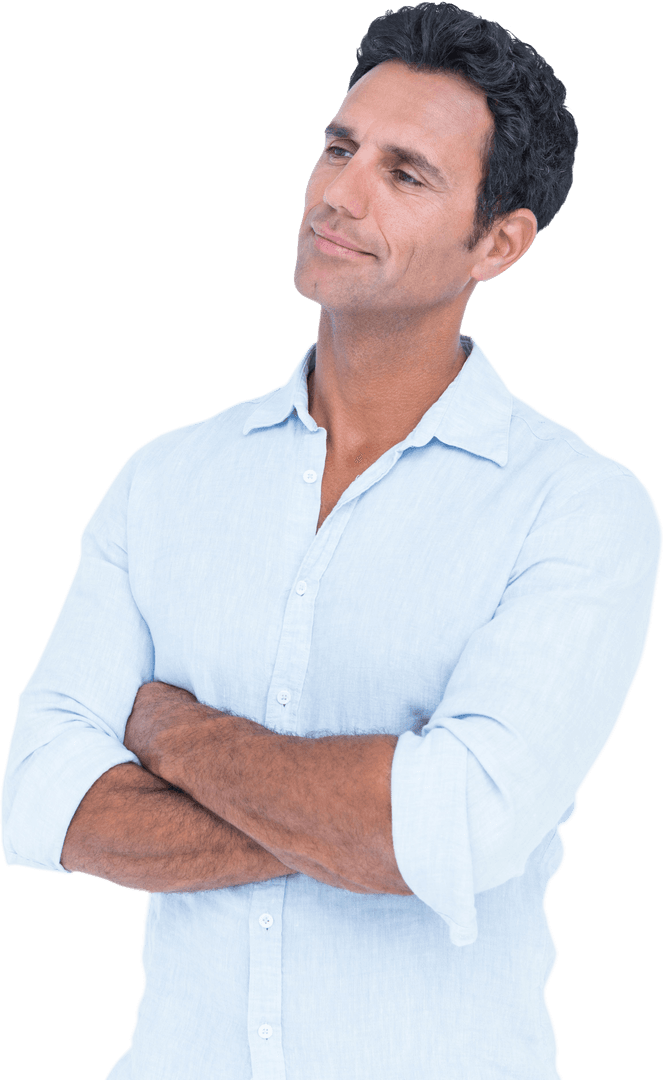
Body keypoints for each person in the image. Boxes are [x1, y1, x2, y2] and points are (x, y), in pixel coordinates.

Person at [2, 2, 661, 1077]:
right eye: (339, 146)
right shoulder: (168, 479)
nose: (338, 194)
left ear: (499, 241)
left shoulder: (578, 508)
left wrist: (167, 732)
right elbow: (42, 799)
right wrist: (365, 829)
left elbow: (464, 824)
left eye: (405, 174)